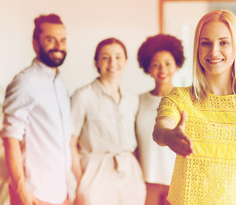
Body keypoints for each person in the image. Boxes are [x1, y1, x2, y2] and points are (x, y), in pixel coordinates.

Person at [153, 10, 236, 205]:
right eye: (206, 43)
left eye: (224, 42)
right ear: (197, 48)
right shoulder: (179, 98)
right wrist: (168, 136)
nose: (214, 51)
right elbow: (160, 128)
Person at [1, 14, 71, 205]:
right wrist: (22, 190)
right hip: (34, 194)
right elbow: (10, 138)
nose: (58, 46)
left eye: (62, 40)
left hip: (60, 193)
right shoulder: (24, 82)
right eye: (50, 39)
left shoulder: (61, 84)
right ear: (35, 44)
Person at [70, 38, 146, 205]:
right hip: (95, 170)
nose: (112, 63)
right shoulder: (83, 96)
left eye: (118, 57)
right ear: (96, 62)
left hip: (129, 170)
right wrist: (81, 180)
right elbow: (70, 142)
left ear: (125, 61)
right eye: (105, 57)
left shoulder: (132, 98)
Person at [136, 34, 185, 205]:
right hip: (147, 182)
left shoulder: (185, 100)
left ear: (177, 65)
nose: (162, 69)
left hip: (179, 181)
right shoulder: (139, 101)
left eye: (167, 63)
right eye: (156, 64)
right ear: (148, 68)